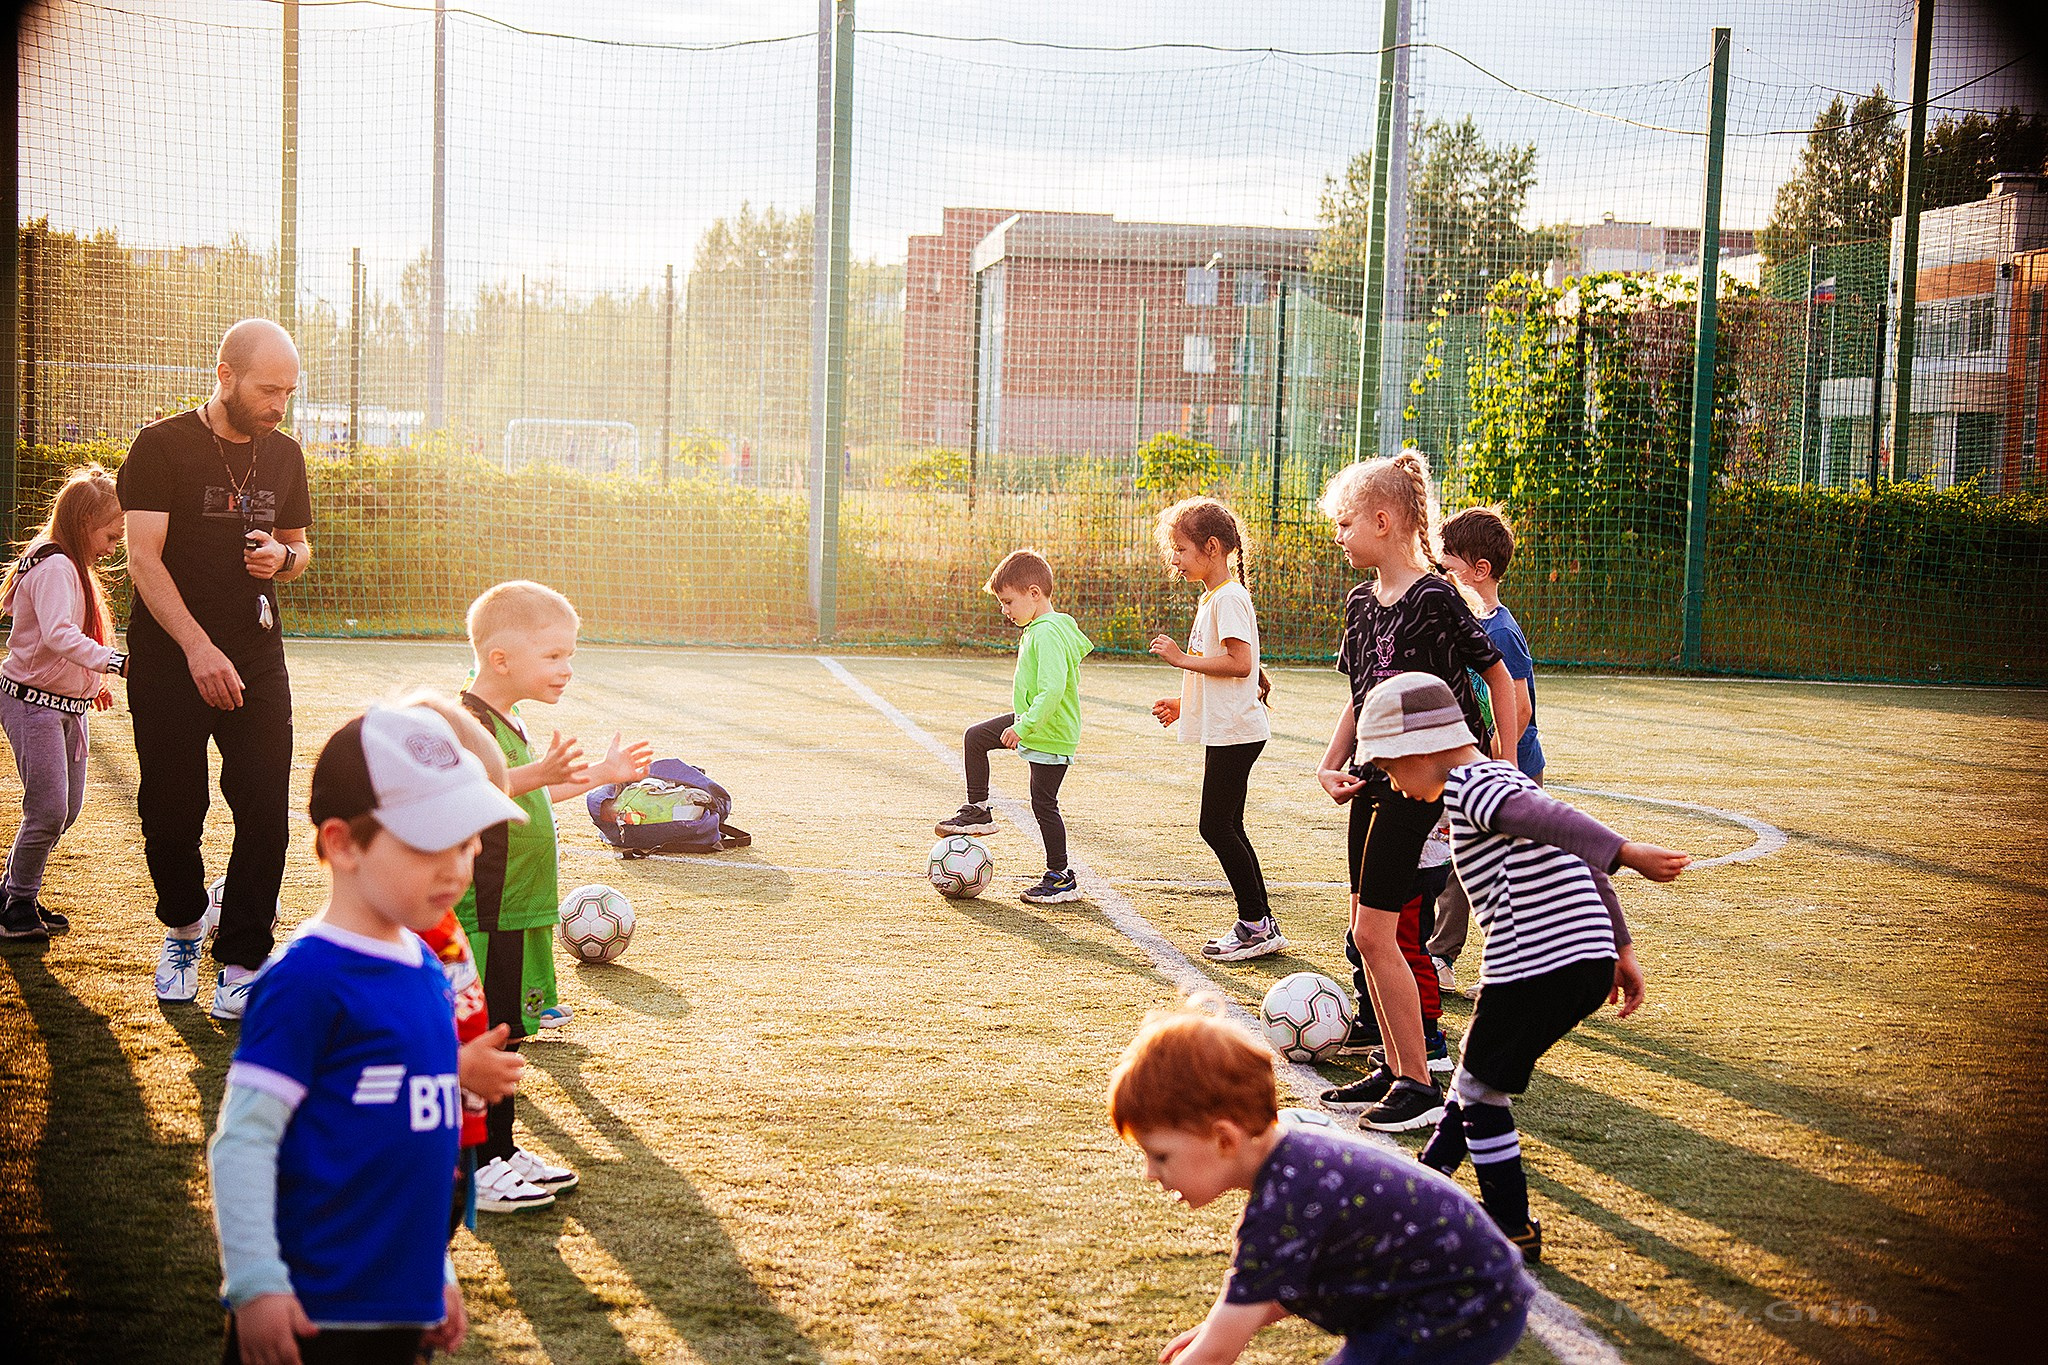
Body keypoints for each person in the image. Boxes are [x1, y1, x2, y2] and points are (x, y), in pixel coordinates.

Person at [207, 701, 526, 1365]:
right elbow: (245, 1138)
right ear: (341, 842)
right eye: (428, 843)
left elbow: (412, 1151)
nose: (456, 866)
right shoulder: (307, 978)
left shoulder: (426, 968)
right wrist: (258, 1284)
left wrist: (436, 1273)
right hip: (312, 1313)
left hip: (400, 1309)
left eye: (467, 842)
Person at [1357, 672, 1690, 1261]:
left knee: (1484, 1096)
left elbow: (1560, 823)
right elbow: (1575, 854)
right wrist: (1620, 946)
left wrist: (1626, 853)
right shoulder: (1497, 776)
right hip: (1576, 961)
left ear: (1420, 747)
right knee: (1471, 1081)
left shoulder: (1471, 787)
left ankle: (1510, 1225)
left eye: (1388, 766)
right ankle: (1426, 1181)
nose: (1390, 780)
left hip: (1536, 965)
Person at [1108, 999, 1534, 1365]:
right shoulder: (1291, 1166)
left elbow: (1218, 1353)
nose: (1151, 1173)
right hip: (1459, 1291)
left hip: (1461, 1302)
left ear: (1224, 1139)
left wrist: (1213, 1340)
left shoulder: (1283, 1201)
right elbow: (1281, 1286)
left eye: (1161, 1155)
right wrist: (1213, 1329)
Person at [1314, 450, 1515, 1135]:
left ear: (1383, 519)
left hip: (1422, 788)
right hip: (1372, 782)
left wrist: (1501, 767)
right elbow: (1360, 697)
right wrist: (1330, 762)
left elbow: (1498, 677)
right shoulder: (1359, 603)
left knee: (1379, 932)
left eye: (1345, 522)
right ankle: (1395, 1061)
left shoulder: (1434, 596)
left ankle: (1419, 1082)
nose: (1338, 535)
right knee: (1367, 933)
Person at [124, 319, 314, 1019]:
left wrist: (282, 560)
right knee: (173, 812)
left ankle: (242, 957)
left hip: (258, 658)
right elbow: (143, 559)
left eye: (289, 392)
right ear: (225, 374)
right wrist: (200, 649)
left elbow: (299, 550)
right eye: (268, 389)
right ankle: (182, 925)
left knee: (265, 810)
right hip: (173, 657)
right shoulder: (161, 446)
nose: (278, 405)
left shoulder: (285, 454)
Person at [457, 580, 651, 1212]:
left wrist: (602, 774)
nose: (566, 669)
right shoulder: (466, 722)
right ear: (500, 659)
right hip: (490, 911)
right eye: (552, 656)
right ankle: (476, 1164)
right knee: (486, 1038)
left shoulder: (508, 720)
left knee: (508, 1034)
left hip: (523, 907)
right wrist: (536, 772)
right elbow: (464, 791)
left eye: (570, 655)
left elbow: (533, 792)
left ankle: (503, 1149)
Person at [1146, 496, 1282, 963]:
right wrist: (1185, 704)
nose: (1175, 560)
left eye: (1181, 550)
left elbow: (1240, 664)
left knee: (1216, 825)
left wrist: (1180, 660)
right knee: (1227, 824)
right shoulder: (1215, 598)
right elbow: (1226, 672)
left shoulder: (1228, 597)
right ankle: (1259, 922)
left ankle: (1255, 924)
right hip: (1231, 728)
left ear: (1211, 547)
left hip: (1238, 733)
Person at [0, 465, 130, 941]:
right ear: (83, 524)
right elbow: (56, 634)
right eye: (111, 536)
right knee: (49, 808)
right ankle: (17, 904)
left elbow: (69, 634)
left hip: (65, 705)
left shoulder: (71, 564)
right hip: (33, 704)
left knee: (66, 809)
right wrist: (114, 663)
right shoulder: (55, 564)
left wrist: (90, 680)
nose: (113, 547)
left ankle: (14, 892)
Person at [934, 549, 1095, 905]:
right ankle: (978, 810)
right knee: (976, 737)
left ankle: (1061, 876)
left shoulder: (1049, 633)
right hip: (1034, 722)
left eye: (1008, 601)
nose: (1005, 610)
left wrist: (1024, 727)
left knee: (1044, 804)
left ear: (1034, 593)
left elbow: (1052, 689)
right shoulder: (1044, 628)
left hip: (1049, 730)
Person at [1434, 506, 1543, 996]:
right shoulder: (1470, 624)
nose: (1442, 576)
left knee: (1497, 872)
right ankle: (1446, 956)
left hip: (1508, 770)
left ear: (1479, 571)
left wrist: (1501, 768)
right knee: (1463, 863)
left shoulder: (1497, 629)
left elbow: (1516, 705)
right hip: (1483, 769)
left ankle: (1506, 967)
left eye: (1449, 567)